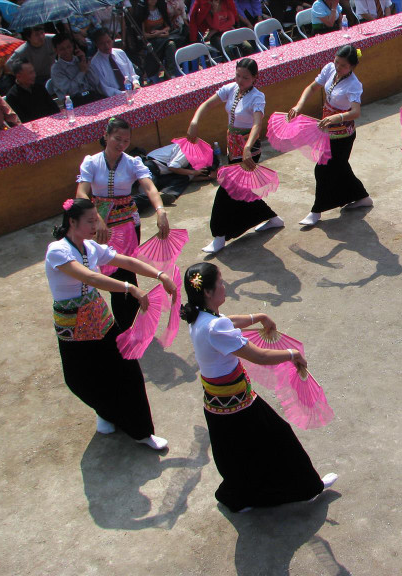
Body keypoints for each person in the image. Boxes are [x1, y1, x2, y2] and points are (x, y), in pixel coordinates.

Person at [180, 262, 338, 511]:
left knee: (237, 453)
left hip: (217, 403)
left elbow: (227, 321)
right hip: (236, 405)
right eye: (220, 282)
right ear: (208, 291)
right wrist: (292, 354)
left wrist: (259, 317)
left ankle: (237, 498)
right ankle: (307, 488)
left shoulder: (199, 316)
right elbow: (260, 356)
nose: (225, 286)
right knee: (279, 437)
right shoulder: (214, 326)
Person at [46, 197, 174, 450]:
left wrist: (159, 274)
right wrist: (130, 288)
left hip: (99, 317)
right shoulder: (57, 251)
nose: (96, 225)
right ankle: (104, 411)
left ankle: (141, 431)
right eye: (90, 221)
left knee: (127, 368)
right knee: (81, 379)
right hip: (72, 324)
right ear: (72, 222)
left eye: (96, 219)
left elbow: (126, 261)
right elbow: (90, 278)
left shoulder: (91, 247)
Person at [75, 117, 172, 331]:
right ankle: (130, 322)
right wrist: (97, 219)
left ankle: (129, 323)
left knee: (126, 271)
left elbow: (149, 188)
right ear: (106, 136)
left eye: (126, 141)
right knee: (111, 272)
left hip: (127, 224)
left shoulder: (132, 162)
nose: (121, 144)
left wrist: (160, 210)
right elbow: (81, 193)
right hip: (100, 226)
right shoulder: (91, 162)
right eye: (117, 139)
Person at [187, 58, 283, 254]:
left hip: (248, 152)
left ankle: (219, 235)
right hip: (233, 148)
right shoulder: (231, 89)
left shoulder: (257, 97)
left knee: (226, 191)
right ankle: (273, 218)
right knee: (242, 191)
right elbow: (207, 104)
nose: (240, 80)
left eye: (245, 78)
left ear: (255, 78)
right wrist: (195, 122)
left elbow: (257, 124)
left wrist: (247, 147)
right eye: (238, 75)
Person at [288, 45, 371, 227]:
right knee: (340, 167)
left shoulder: (354, 85)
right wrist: (299, 105)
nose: (338, 67)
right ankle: (362, 197)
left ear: (352, 67)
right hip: (327, 129)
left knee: (323, 169)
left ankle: (316, 211)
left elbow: (356, 112)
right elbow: (312, 87)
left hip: (343, 135)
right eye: (337, 62)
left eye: (343, 65)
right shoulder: (329, 69)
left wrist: (337, 117)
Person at [138, 139, 216, 207]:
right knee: (149, 196)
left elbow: (190, 178)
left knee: (184, 177)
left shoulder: (192, 161)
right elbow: (172, 167)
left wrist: (208, 177)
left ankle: (165, 194)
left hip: (161, 173)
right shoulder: (189, 149)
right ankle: (133, 205)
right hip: (149, 168)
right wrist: (194, 172)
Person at [50, 32, 105, 105]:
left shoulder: (80, 59)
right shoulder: (56, 69)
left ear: (73, 46)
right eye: (62, 49)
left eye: (69, 47)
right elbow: (70, 91)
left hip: (91, 95)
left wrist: (85, 61)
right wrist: (81, 72)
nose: (67, 51)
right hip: (74, 101)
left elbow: (95, 82)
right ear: (56, 50)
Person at [132, 0, 180, 80]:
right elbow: (143, 35)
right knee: (164, 45)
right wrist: (157, 34)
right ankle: (154, 73)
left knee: (171, 44)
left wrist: (160, 32)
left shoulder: (161, 8)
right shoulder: (142, 11)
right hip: (150, 40)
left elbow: (168, 26)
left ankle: (170, 73)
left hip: (163, 38)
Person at [89, 27, 140, 96]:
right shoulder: (94, 63)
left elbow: (132, 72)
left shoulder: (120, 52)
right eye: (102, 44)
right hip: (115, 96)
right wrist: (123, 93)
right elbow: (104, 88)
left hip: (132, 89)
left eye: (108, 41)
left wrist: (135, 83)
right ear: (96, 44)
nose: (106, 46)